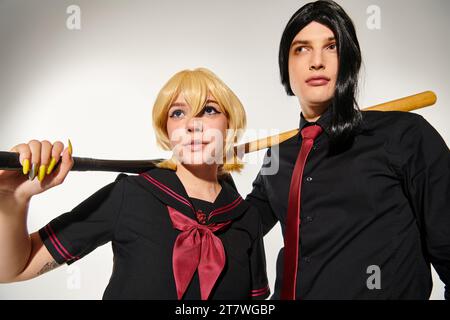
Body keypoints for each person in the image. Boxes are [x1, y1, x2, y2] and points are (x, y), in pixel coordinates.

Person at [0, 68, 270, 300]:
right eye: (177, 113)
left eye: (209, 110)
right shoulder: (129, 195)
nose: (192, 124)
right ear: (166, 130)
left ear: (230, 126)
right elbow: (12, 269)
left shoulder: (247, 217)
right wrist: (13, 197)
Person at [246, 0, 450, 300]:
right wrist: (205, 170)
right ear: (285, 68)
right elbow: (238, 232)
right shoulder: (277, 156)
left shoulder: (405, 135)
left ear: (350, 61)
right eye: (301, 48)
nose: (317, 61)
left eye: (332, 47)